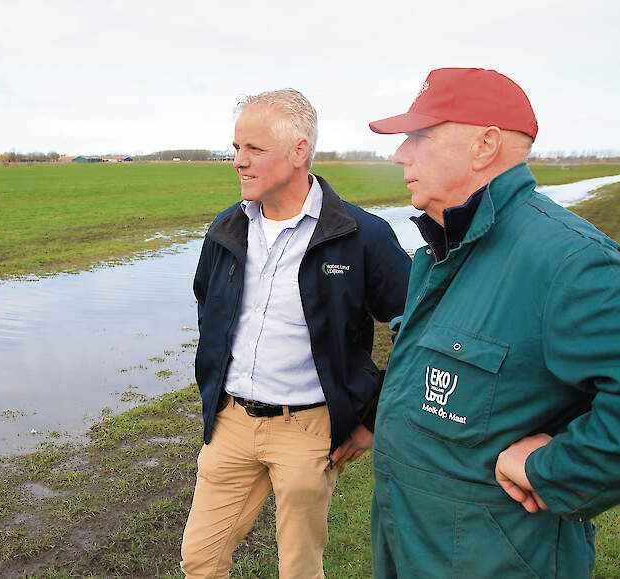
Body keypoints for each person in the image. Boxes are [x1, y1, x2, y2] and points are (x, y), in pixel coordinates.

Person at [368, 68, 620, 577]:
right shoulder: (444, 251)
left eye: (420, 136)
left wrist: (551, 469)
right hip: (409, 541)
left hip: (494, 558)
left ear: (485, 146)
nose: (400, 155)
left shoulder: (570, 263)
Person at [180, 89, 411, 578]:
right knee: (199, 562)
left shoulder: (361, 235)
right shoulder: (226, 229)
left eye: (255, 149)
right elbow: (209, 306)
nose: (239, 162)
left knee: (299, 570)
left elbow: (419, 327)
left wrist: (370, 419)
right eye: (236, 147)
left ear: (300, 151)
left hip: (310, 429)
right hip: (231, 425)